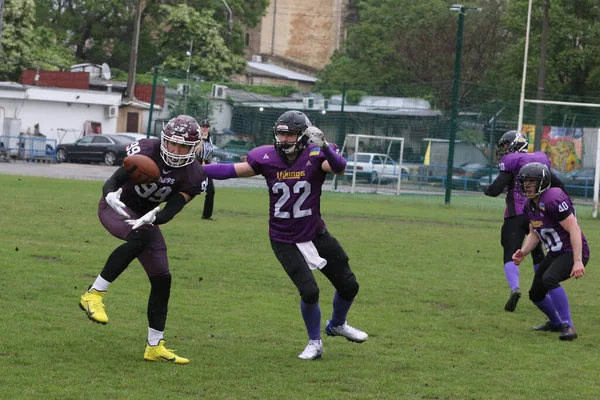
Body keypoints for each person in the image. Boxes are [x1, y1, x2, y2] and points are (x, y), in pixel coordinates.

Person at [202, 110, 368, 360]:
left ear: (303, 136)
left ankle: (337, 324)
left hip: (314, 232)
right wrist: (195, 170)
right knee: (310, 292)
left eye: (290, 134)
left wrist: (324, 147)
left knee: (349, 285)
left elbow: (339, 168)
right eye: (281, 133)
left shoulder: (316, 153)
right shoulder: (266, 156)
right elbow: (230, 170)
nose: (284, 139)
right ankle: (315, 342)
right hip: (283, 238)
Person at [79, 115, 207, 364]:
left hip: (146, 218)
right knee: (141, 238)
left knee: (162, 278)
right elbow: (114, 180)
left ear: (195, 147)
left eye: (183, 146)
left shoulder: (194, 174)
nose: (175, 150)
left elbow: (171, 210)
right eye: (171, 143)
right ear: (164, 139)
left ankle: (154, 346)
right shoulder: (147, 150)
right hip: (118, 207)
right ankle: (93, 295)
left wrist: (155, 218)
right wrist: (109, 194)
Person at [484, 130, 567, 312]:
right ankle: (545, 291)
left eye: (506, 145)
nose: (504, 149)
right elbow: (559, 184)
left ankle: (515, 289)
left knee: (511, 253)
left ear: (515, 145)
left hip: (515, 215)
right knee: (538, 254)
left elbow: (496, 189)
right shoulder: (538, 162)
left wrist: (487, 189)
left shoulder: (512, 162)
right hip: (535, 215)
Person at [513, 162, 589, 340]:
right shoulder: (529, 204)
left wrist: (577, 261)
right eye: (525, 182)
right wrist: (523, 251)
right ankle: (555, 323)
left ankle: (568, 326)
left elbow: (574, 229)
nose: (526, 185)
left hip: (573, 250)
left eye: (531, 181)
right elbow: (535, 233)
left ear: (542, 182)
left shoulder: (553, 198)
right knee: (536, 293)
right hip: (555, 253)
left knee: (550, 278)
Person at [197, 119, 215, 220]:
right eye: (203, 126)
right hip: (197, 163)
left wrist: (211, 165)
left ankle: (207, 215)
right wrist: (202, 140)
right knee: (189, 188)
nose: (205, 128)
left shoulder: (210, 138)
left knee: (211, 190)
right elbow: (196, 152)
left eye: (207, 126)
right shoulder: (196, 137)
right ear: (200, 127)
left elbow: (210, 153)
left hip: (207, 164)